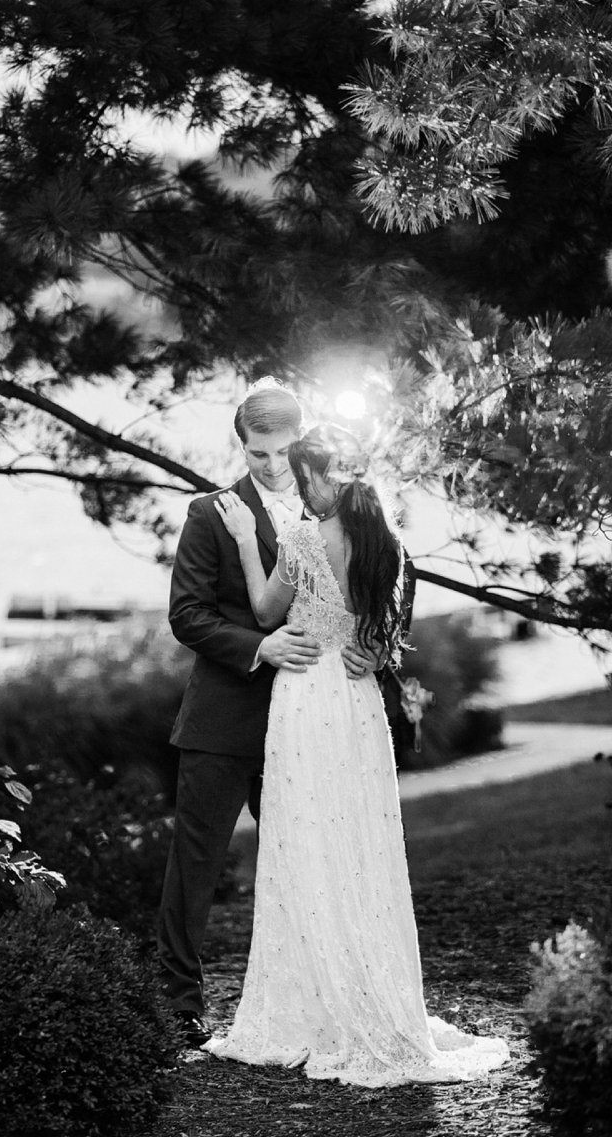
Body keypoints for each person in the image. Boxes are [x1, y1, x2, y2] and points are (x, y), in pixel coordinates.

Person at [204, 423, 510, 1085]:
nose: (297, 486)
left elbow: (262, 611)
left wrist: (239, 540)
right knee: (360, 847)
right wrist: (376, 643)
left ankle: (316, 999)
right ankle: (368, 985)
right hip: (357, 699)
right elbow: (385, 624)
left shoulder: (307, 538)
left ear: (320, 477)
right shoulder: (386, 540)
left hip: (308, 699)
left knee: (305, 840)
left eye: (301, 474)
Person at [157, 381, 386, 1049]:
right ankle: (177, 1007)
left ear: (302, 440)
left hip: (314, 724)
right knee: (196, 863)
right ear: (242, 445)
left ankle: (320, 1003)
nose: (271, 465)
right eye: (258, 453)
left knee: (311, 864)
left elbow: (386, 576)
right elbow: (188, 614)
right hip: (226, 719)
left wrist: (375, 647)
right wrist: (259, 645)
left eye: (282, 451)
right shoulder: (212, 512)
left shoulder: (345, 504)